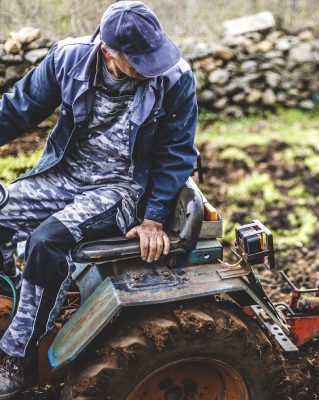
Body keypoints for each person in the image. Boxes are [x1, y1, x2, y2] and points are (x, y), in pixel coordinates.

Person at [0, 1, 197, 396]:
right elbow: (17, 111)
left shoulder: (175, 79)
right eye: (139, 60)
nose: (151, 66)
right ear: (108, 51)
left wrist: (154, 218)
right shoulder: (68, 60)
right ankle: (12, 301)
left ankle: (17, 355)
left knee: (47, 241)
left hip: (120, 187)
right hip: (64, 175)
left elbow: (177, 152)